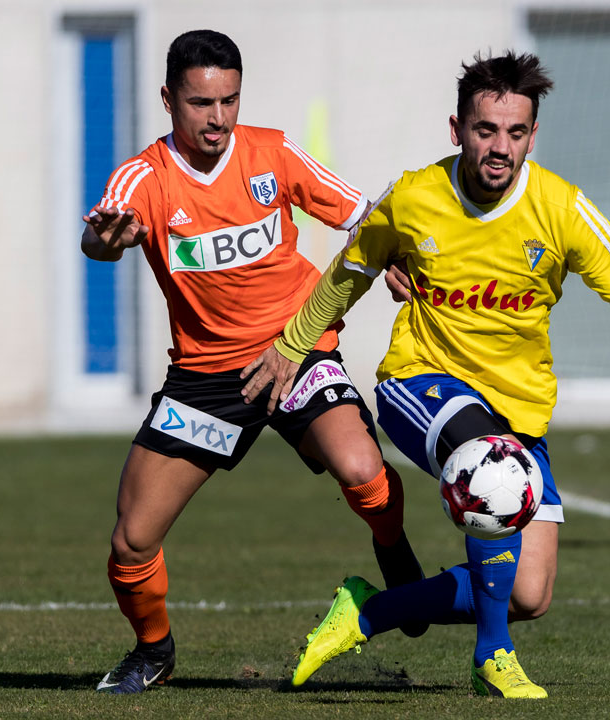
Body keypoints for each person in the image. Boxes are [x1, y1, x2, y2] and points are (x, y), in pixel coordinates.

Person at [240, 50, 610, 698]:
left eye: (515, 133)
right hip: (420, 383)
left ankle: (367, 610)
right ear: (456, 128)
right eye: (485, 130)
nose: (500, 147)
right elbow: (344, 280)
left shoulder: (563, 210)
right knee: (490, 468)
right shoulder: (413, 198)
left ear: (533, 135)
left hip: (517, 410)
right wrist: (290, 349)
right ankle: (492, 657)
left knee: (528, 592)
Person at [81, 29, 424, 694]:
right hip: (207, 381)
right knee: (130, 544)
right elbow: (101, 236)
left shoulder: (271, 153)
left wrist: (396, 258)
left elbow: (364, 214)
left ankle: (391, 544)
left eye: (229, 101)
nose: (217, 118)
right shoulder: (142, 179)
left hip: (295, 351)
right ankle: (153, 651)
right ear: (168, 100)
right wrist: (104, 240)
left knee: (362, 470)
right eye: (200, 103)